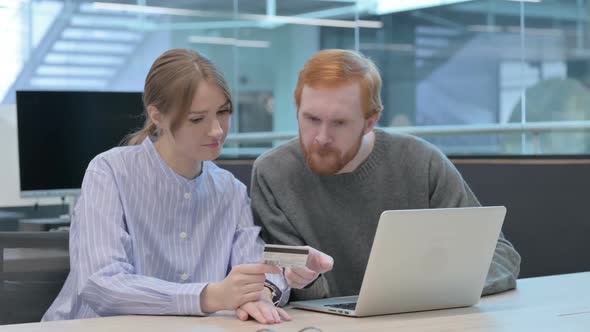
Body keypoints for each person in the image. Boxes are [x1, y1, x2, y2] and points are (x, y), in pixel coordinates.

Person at [42, 48, 331, 324]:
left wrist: (263, 292)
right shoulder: (110, 172)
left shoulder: (230, 189)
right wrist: (209, 296)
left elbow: (254, 265)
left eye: (223, 112)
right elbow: (102, 284)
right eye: (197, 119)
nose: (217, 130)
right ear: (157, 116)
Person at [251, 49, 521, 301]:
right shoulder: (274, 174)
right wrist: (303, 280)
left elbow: (502, 257)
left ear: (370, 122)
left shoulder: (421, 162)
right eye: (311, 119)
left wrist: (428, 292)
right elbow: (288, 286)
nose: (321, 137)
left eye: (339, 122)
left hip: (424, 319)